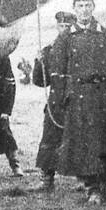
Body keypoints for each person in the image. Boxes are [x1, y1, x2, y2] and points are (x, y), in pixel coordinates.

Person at [47, 0, 106, 204]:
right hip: (78, 98)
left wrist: (103, 84)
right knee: (85, 144)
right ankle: (92, 188)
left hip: (103, 97)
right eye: (80, 6)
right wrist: (65, 96)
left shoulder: (105, 34)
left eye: (88, 5)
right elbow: (57, 71)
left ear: (93, 6)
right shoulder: (66, 38)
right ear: (74, 8)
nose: (84, 10)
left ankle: (104, 183)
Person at [33, 11, 76, 190]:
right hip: (55, 103)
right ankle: (47, 180)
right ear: (57, 26)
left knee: (78, 140)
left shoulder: (78, 47)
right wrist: (39, 63)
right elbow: (40, 81)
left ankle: (87, 180)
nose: (64, 30)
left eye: (68, 27)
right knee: (49, 139)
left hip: (75, 100)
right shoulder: (49, 50)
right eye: (61, 26)